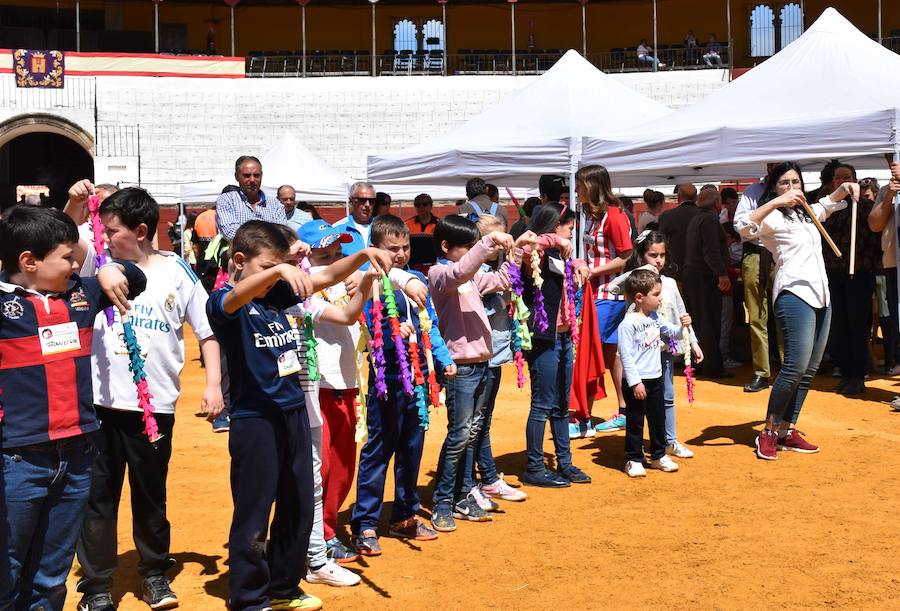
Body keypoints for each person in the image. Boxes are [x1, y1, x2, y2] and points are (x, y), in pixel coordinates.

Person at [206, 221, 393, 611]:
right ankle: (249, 596)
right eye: (267, 267)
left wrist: (361, 256)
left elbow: (326, 274)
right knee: (255, 510)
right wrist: (278, 269)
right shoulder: (226, 301)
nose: (280, 273)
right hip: (255, 419)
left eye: (281, 266)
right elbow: (232, 299)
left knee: (298, 504)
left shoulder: (277, 295)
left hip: (292, 411)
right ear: (240, 261)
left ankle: (284, 585)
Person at [75, 188, 225, 611]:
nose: (104, 237)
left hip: (153, 407)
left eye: (113, 230)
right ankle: (97, 585)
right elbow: (69, 235)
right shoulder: (98, 263)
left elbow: (208, 331)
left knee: (150, 494)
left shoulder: (178, 271)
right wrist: (73, 201)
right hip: (99, 404)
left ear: (141, 231)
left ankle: (155, 574)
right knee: (98, 497)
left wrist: (213, 384)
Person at [0, 206, 145, 611]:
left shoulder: (81, 297)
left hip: (79, 453)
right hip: (17, 459)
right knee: (7, 567)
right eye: (67, 257)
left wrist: (112, 271)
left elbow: (137, 277)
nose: (76, 264)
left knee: (52, 570)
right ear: (29, 262)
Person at [352, 215, 455, 553]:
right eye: (391, 248)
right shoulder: (368, 282)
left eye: (405, 247)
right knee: (379, 450)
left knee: (412, 447)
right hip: (386, 377)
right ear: (375, 249)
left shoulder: (415, 279)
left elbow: (431, 325)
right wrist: (395, 332)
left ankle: (404, 515)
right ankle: (365, 522)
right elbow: (367, 326)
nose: (399, 253)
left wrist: (443, 358)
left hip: (418, 377)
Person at [273, 225, 367, 589]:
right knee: (318, 468)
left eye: (336, 253)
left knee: (342, 468)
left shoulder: (346, 281)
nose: (332, 259)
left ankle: (324, 532)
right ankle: (317, 540)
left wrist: (369, 281)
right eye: (322, 253)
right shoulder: (304, 288)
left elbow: (393, 276)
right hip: (317, 387)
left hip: (347, 384)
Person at [743, 162, 858, 460]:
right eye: (785, 183)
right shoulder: (772, 218)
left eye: (796, 182)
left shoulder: (807, 214)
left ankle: (786, 429)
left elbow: (828, 204)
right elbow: (743, 226)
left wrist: (845, 188)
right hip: (794, 293)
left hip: (821, 295)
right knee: (794, 367)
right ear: (774, 188)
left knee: (808, 371)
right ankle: (768, 431)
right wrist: (778, 201)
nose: (793, 187)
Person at [428, 216, 532, 532]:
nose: (473, 250)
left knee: (468, 433)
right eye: (467, 245)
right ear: (446, 247)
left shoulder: (471, 277)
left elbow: (503, 279)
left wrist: (518, 251)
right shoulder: (440, 274)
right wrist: (488, 242)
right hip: (461, 368)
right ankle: (443, 501)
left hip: (480, 365)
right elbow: (461, 271)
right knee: (459, 434)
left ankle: (460, 495)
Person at [613, 231, 703, 459]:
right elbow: (614, 287)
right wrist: (638, 272)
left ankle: (668, 441)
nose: (659, 260)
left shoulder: (670, 283)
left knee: (667, 397)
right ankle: (642, 446)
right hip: (640, 354)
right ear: (642, 255)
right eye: (653, 255)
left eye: (662, 255)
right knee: (640, 402)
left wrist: (693, 341)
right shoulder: (633, 283)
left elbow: (681, 314)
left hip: (664, 350)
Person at [521, 206, 592, 487]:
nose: (570, 236)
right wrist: (556, 241)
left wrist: (575, 262)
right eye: (569, 230)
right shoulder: (536, 251)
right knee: (542, 403)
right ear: (554, 226)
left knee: (562, 405)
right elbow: (528, 244)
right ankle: (534, 468)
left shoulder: (560, 256)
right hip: (543, 337)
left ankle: (565, 462)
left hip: (562, 336)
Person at [463, 214, 529, 504]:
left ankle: (486, 477)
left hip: (495, 353)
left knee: (482, 421)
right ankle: (478, 480)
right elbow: (492, 294)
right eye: (498, 239)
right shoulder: (477, 270)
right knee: (476, 423)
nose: (505, 243)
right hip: (483, 355)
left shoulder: (490, 268)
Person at [574, 165, 633, 435]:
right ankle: (624, 410)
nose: (576, 191)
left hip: (608, 293)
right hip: (595, 292)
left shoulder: (614, 215)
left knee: (589, 352)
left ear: (593, 185)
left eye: (580, 186)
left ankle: (583, 417)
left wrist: (592, 271)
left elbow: (625, 256)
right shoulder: (592, 214)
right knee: (611, 354)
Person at [616, 268, 690, 478]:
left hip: (656, 378)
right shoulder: (628, 324)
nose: (660, 299)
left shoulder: (655, 318)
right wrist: (635, 383)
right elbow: (626, 357)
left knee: (657, 419)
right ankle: (633, 458)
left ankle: (658, 455)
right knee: (636, 420)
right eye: (656, 295)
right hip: (637, 382)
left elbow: (672, 333)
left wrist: (683, 326)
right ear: (640, 297)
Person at [821, 164, 881, 396]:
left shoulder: (865, 206)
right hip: (834, 274)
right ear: (832, 182)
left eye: (846, 177)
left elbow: (874, 241)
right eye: (838, 177)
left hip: (859, 274)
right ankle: (845, 372)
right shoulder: (827, 208)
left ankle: (857, 375)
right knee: (840, 326)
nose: (842, 181)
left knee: (857, 326)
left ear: (854, 180)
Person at [733, 164, 780, 393]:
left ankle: (788, 367)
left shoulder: (790, 188)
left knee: (785, 311)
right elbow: (740, 225)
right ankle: (762, 371)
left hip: (783, 253)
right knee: (757, 316)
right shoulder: (753, 191)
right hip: (756, 253)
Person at [682, 187, 732, 378]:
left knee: (700, 320)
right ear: (716, 203)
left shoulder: (697, 218)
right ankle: (713, 366)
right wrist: (722, 274)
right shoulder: (710, 220)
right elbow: (711, 251)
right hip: (704, 275)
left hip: (693, 274)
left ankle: (702, 363)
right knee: (710, 321)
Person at [867, 165, 900, 378]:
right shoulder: (888, 188)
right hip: (892, 264)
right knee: (896, 322)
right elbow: (875, 224)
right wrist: (889, 194)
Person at [216, 156, 288, 240]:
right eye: (247, 176)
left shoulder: (275, 204)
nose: (252, 180)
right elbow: (230, 233)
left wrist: (246, 232)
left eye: (256, 175)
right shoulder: (227, 200)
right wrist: (269, 232)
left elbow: (282, 234)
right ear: (236, 176)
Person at [657, 183, 701, 280]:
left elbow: (659, 241)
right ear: (696, 197)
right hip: (700, 269)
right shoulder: (705, 216)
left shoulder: (668, 216)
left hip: (676, 268)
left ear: (679, 197)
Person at [333, 181, 377, 257]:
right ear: (351, 201)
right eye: (362, 200)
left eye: (371, 201)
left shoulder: (383, 227)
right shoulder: (336, 229)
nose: (367, 205)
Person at [406, 193, 440, 273]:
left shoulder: (440, 224)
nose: (421, 207)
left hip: (434, 264)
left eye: (424, 204)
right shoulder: (407, 224)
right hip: (412, 264)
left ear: (431, 206)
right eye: (417, 205)